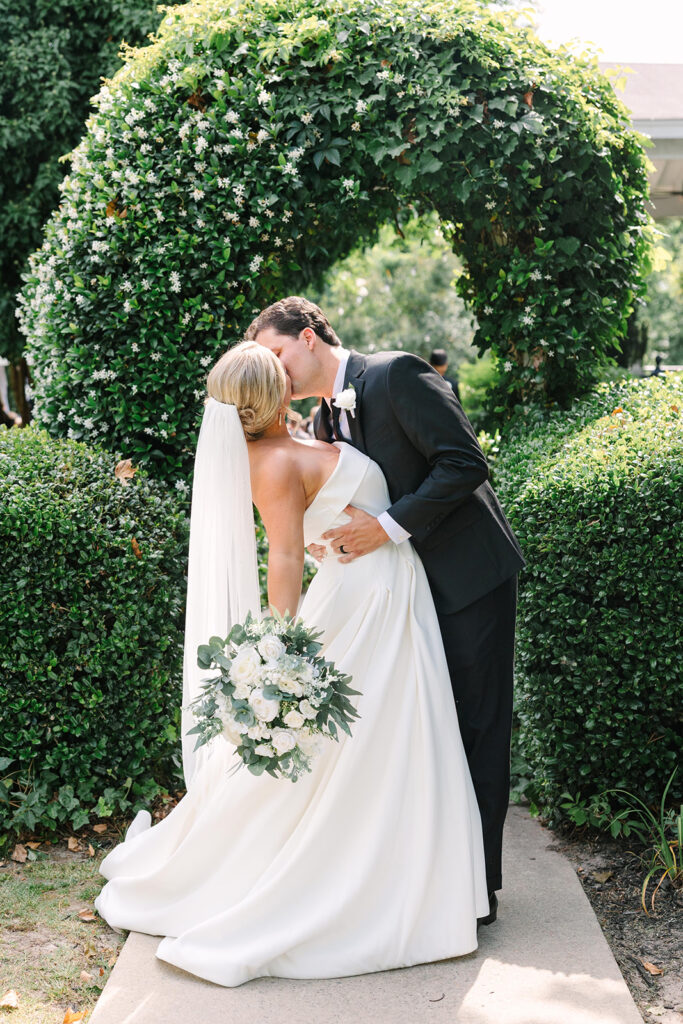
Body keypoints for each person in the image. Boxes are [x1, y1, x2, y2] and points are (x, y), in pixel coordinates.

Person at [94, 341, 489, 987]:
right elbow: (282, 556)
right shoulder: (273, 462)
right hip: (362, 602)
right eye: (277, 372)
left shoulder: (297, 436)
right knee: (372, 741)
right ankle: (367, 883)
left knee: (389, 739)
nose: (289, 374)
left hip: (382, 589)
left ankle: (411, 874)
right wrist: (282, 650)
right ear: (269, 393)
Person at [249, 297, 526, 926]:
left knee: (475, 726)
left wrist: (387, 527)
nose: (275, 371)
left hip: (466, 578)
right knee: (422, 732)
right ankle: (429, 875)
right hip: (398, 597)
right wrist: (328, 539)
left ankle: (478, 889)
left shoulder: (397, 373)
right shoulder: (323, 420)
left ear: (310, 336)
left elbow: (464, 462)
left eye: (278, 354)